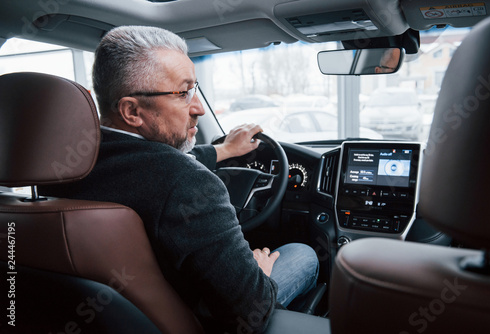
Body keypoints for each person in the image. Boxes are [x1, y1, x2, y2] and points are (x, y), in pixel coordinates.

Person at [40, 25, 319, 333]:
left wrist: (223, 150)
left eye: (195, 89)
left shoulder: (56, 169)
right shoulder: (188, 184)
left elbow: (149, 167)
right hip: (200, 318)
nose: (198, 107)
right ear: (132, 111)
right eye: (184, 93)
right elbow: (250, 310)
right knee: (304, 254)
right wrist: (260, 274)